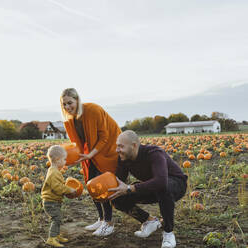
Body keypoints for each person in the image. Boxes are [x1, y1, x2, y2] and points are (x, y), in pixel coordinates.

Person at [108, 130, 188, 248]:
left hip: (176, 184)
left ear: (134, 145)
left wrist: (130, 188)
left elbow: (161, 181)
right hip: (153, 186)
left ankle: (168, 233)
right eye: (117, 146)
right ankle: (149, 221)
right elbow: (119, 181)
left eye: (121, 146)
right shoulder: (124, 158)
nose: (117, 150)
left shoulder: (154, 153)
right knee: (117, 197)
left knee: (163, 188)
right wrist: (103, 189)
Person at [60, 88, 121, 236]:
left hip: (108, 149)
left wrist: (90, 155)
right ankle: (101, 219)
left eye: (70, 103)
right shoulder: (71, 119)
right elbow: (77, 143)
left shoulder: (93, 110)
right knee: (90, 183)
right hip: (90, 151)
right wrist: (74, 158)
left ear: (77, 100)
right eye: (64, 104)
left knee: (102, 184)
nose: (67, 107)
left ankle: (109, 222)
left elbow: (104, 137)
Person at [41, 145, 77, 247]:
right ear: (57, 160)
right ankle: (51, 238)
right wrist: (69, 189)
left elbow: (59, 185)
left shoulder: (54, 170)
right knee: (56, 218)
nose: (65, 161)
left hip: (54, 201)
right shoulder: (53, 173)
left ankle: (56, 235)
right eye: (64, 159)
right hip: (50, 202)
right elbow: (57, 187)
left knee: (58, 217)